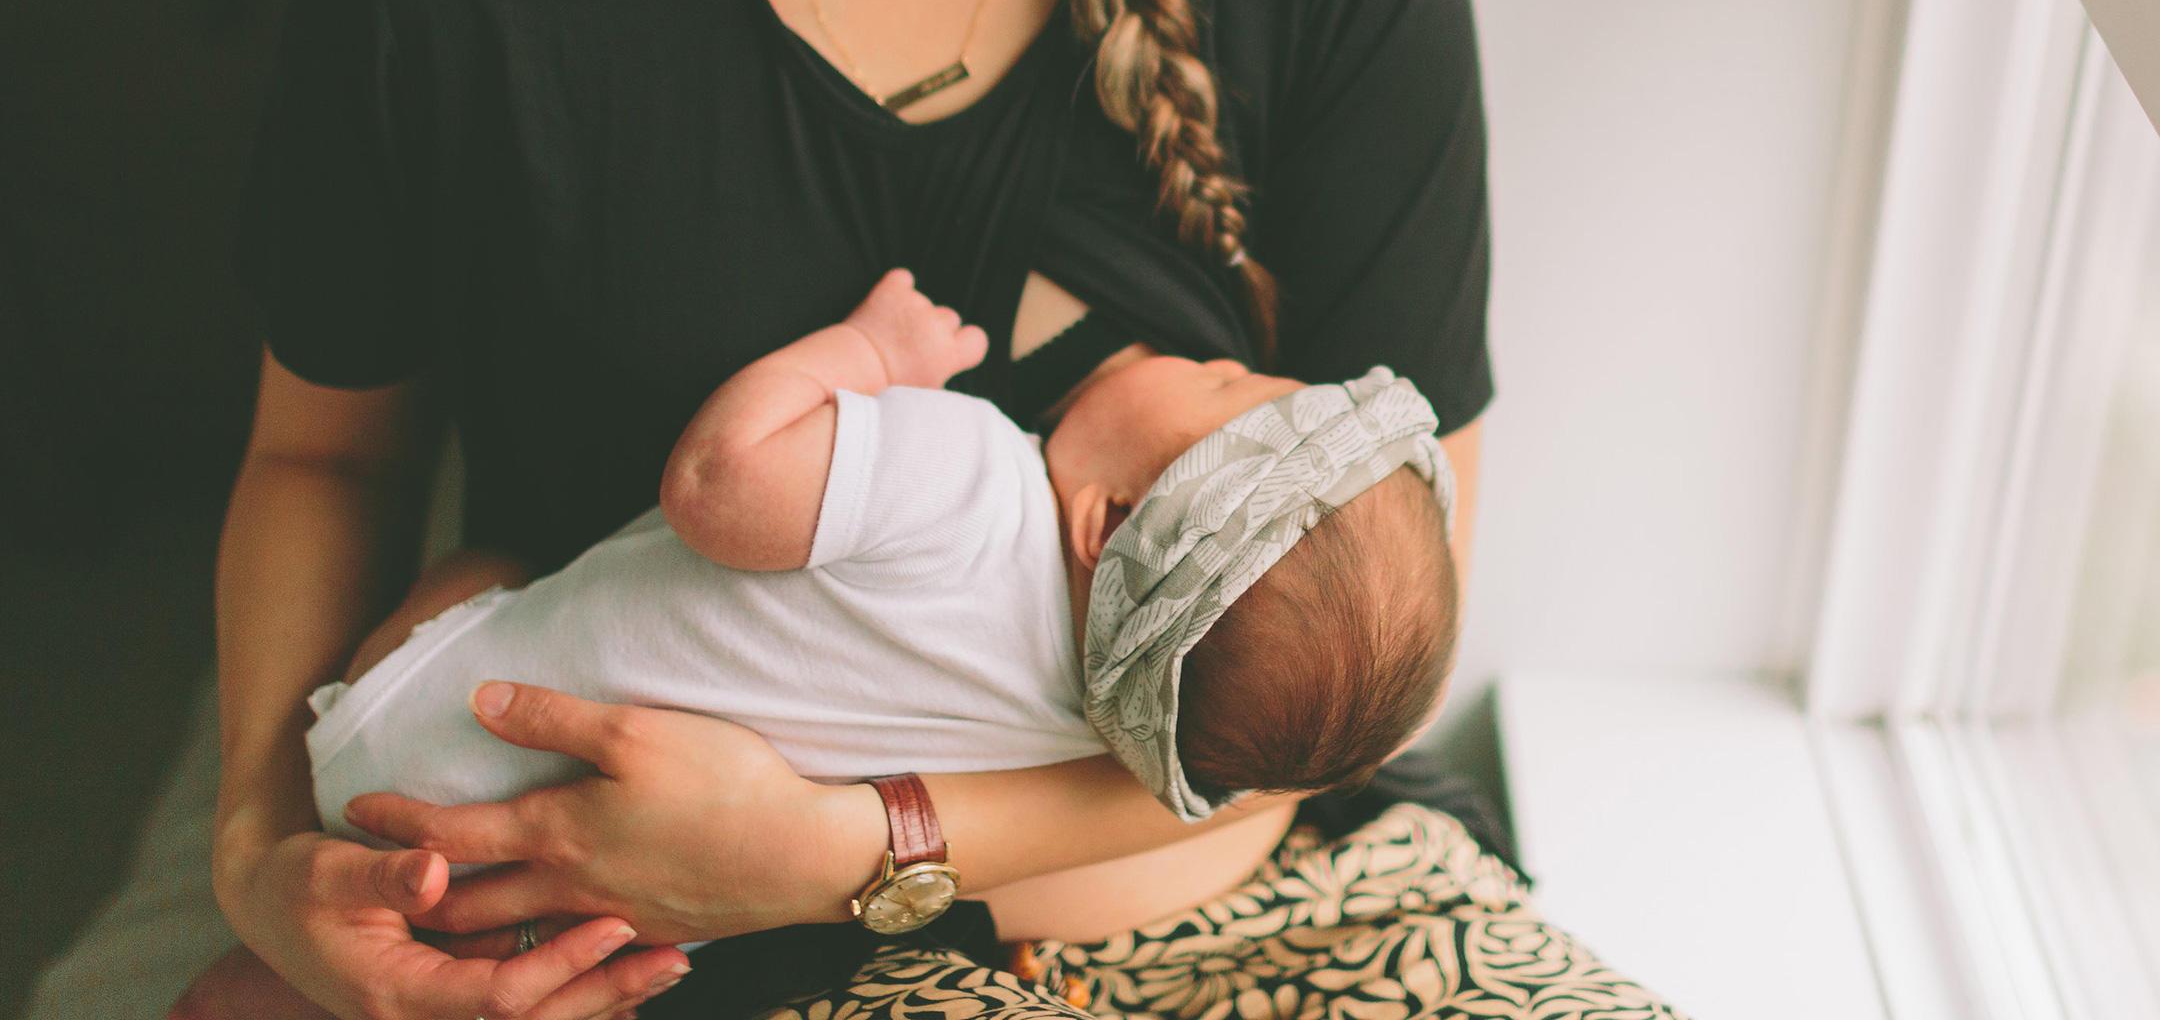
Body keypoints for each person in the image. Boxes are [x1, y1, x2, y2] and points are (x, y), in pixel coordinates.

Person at [22, 0, 1682, 1016]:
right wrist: (255, 851)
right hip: (609, 942)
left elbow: (1373, 657)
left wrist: (848, 849)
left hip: (1245, 918)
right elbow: (326, 455)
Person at [184, 267, 1464, 1014]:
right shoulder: (1098, 717)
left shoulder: (967, 475)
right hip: (590, 921)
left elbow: (721, 485)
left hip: (414, 746)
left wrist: (867, 355)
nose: (1217, 359)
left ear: (1105, 520)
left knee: (491, 563)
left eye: (1227, 389)